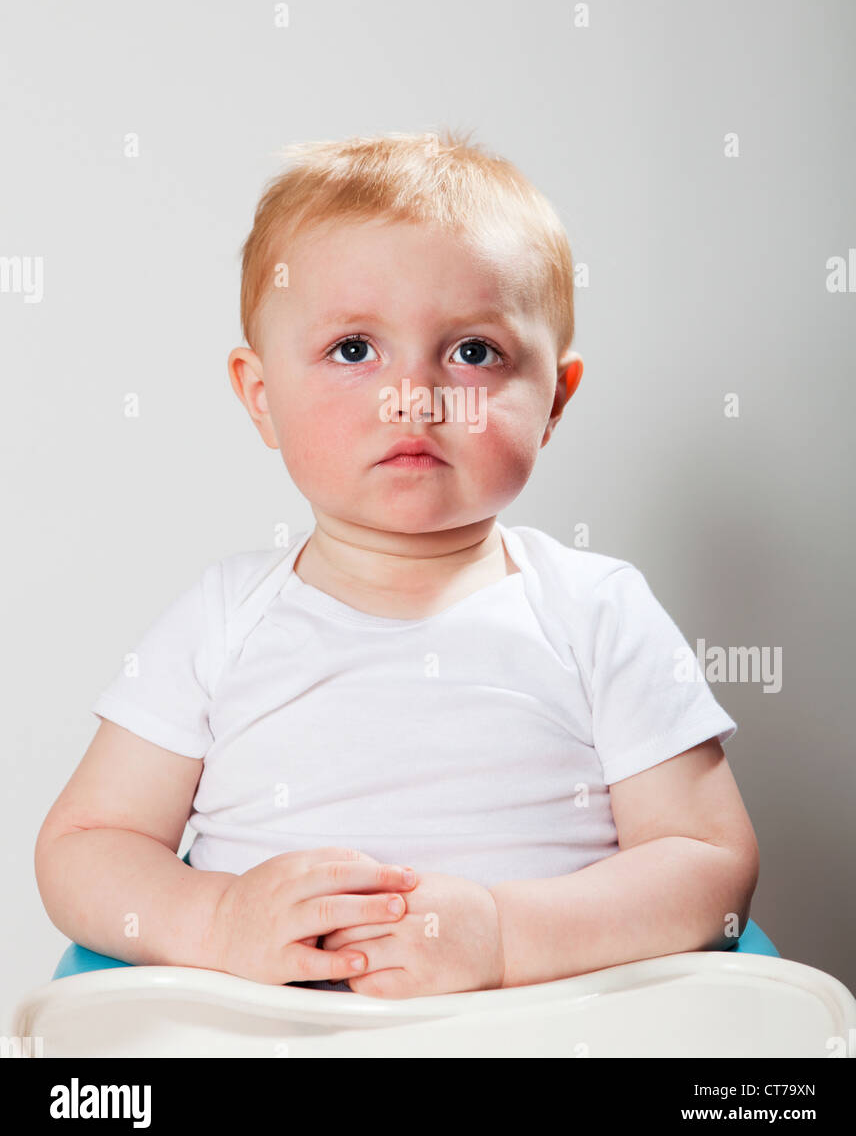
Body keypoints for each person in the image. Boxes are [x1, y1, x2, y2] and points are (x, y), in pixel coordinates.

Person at [34, 129, 758, 999]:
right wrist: (217, 921)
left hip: (542, 1034)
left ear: (554, 400)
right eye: (353, 350)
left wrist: (502, 938)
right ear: (262, 398)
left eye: (474, 352)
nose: (412, 395)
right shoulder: (222, 617)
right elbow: (86, 847)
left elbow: (710, 866)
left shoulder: (596, 609)